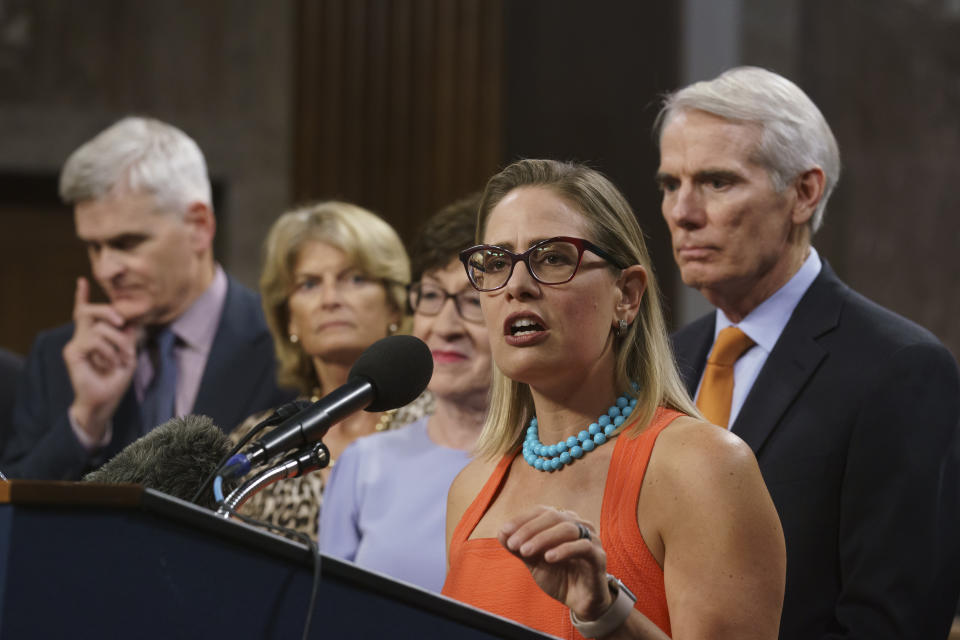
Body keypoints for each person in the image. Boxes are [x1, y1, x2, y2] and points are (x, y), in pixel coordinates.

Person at [657, 66, 960, 640]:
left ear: (803, 193)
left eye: (717, 182)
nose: (682, 212)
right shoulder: (668, 359)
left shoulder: (899, 369)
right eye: (671, 184)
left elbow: (892, 623)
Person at [442, 159, 785, 639]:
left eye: (553, 258)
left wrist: (604, 613)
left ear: (626, 294)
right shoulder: (470, 488)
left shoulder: (702, 467)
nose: (516, 285)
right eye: (496, 263)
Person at [1, 117, 292, 481]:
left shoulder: (285, 342)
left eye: (127, 243)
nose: (106, 269)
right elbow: (12, 517)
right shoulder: (55, 358)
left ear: (199, 226)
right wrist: (85, 422)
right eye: (94, 247)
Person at [227, 200, 429, 538]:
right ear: (289, 317)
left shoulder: (440, 424)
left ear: (395, 305)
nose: (330, 298)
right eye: (309, 284)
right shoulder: (260, 440)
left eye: (354, 278)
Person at [320, 194, 490, 593]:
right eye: (431, 296)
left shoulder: (550, 461)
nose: (445, 326)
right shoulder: (365, 463)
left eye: (473, 301)